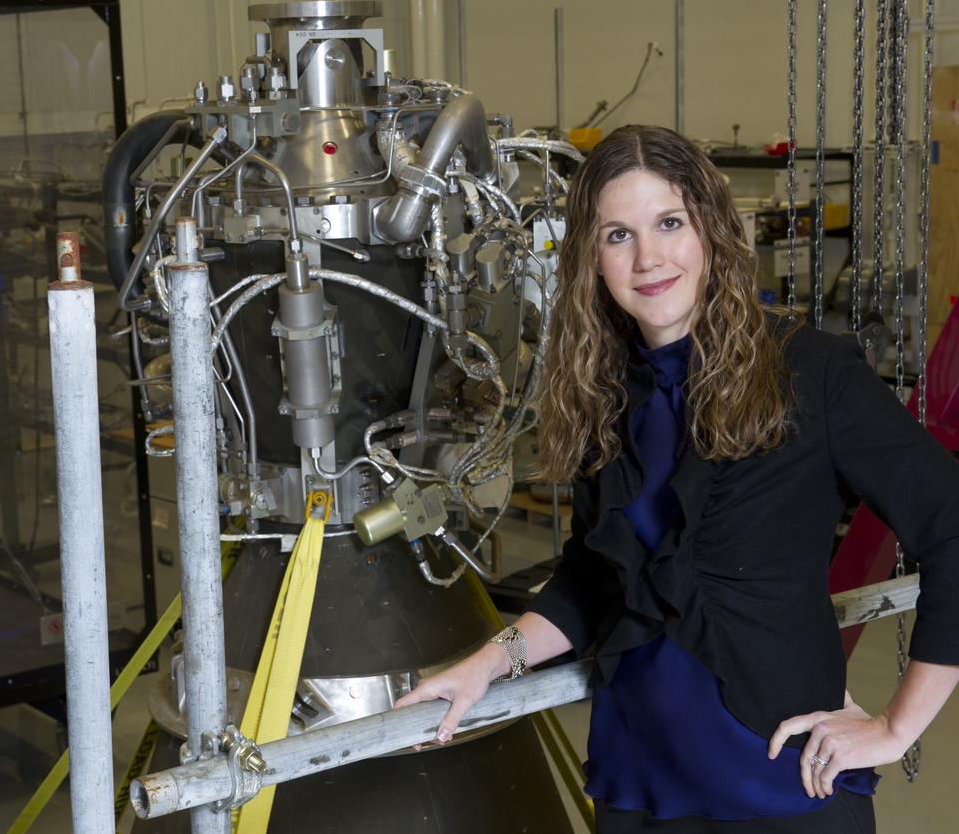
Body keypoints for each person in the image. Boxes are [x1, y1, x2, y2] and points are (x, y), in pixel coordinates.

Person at [394, 124, 959, 832]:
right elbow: (595, 577)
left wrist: (896, 727)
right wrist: (491, 661)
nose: (648, 258)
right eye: (617, 235)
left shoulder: (810, 375)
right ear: (589, 259)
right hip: (637, 786)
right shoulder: (604, 393)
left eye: (669, 223)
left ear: (712, 232)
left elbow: (952, 528)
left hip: (781, 787)